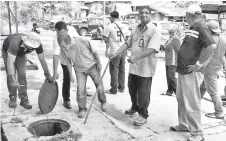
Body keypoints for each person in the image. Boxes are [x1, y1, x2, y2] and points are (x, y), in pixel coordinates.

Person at [170, 5, 217, 141]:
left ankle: (197, 133)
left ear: (188, 14)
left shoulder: (201, 26)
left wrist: (199, 63)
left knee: (192, 102)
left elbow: (212, 46)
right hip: (183, 70)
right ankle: (184, 124)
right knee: (181, 99)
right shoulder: (194, 27)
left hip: (192, 72)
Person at [109, 7, 161, 126]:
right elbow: (128, 43)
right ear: (138, 15)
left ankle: (143, 115)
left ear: (150, 15)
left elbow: (152, 49)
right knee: (132, 89)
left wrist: (136, 57)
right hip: (134, 67)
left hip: (145, 68)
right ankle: (135, 107)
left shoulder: (154, 30)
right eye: (141, 13)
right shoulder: (136, 28)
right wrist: (116, 52)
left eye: (146, 13)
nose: (143, 15)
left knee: (143, 92)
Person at [57, 33, 107, 118]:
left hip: (92, 66)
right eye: (61, 47)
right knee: (80, 90)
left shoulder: (82, 40)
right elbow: (68, 62)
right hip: (79, 70)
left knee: (99, 85)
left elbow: (94, 51)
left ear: (69, 42)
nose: (63, 48)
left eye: (64, 46)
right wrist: (71, 74)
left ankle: (103, 101)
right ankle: (82, 109)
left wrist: (99, 62)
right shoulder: (63, 49)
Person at [2, 32, 53, 109]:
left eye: (32, 48)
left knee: (22, 74)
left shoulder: (38, 44)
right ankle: (12, 97)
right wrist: (13, 79)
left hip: (21, 54)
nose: (30, 49)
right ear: (24, 42)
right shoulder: (15, 43)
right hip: (7, 52)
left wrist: (47, 74)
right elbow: (10, 62)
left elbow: (42, 60)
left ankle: (24, 98)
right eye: (29, 47)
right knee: (11, 75)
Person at [199, 20, 225, 119]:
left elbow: (206, 55)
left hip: (210, 68)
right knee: (202, 87)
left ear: (209, 29)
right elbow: (222, 55)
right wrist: (224, 66)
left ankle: (219, 112)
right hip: (216, 67)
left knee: (213, 91)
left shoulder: (210, 40)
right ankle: (195, 104)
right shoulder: (221, 39)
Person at [52, 21, 79, 109]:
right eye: (58, 33)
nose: (61, 35)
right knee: (67, 78)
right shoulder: (56, 39)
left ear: (67, 30)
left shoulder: (73, 32)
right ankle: (66, 100)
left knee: (81, 75)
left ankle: (81, 94)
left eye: (63, 33)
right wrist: (55, 72)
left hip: (75, 56)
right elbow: (56, 56)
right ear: (56, 31)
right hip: (64, 58)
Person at [103, 11, 127, 94]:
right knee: (122, 69)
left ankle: (113, 89)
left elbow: (105, 39)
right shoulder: (124, 26)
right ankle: (122, 87)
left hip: (114, 51)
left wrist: (106, 50)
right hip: (123, 49)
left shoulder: (109, 26)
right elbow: (127, 39)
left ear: (112, 17)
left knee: (114, 69)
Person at [161, 27, 181, 96]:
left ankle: (178, 92)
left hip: (173, 61)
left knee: (171, 77)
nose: (170, 32)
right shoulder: (171, 38)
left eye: (172, 31)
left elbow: (178, 51)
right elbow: (164, 47)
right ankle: (169, 91)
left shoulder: (176, 39)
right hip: (168, 60)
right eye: (170, 31)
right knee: (168, 76)